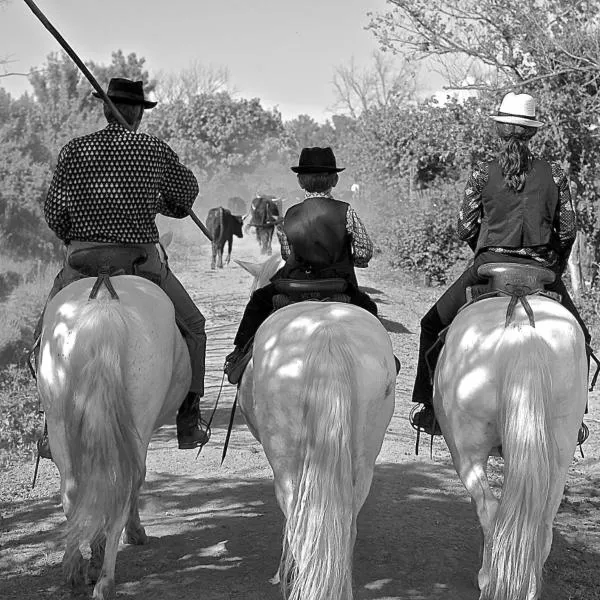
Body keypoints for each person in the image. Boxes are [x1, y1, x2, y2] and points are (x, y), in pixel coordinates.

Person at [35, 77, 209, 453]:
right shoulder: (153, 149)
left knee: (43, 331)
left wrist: (73, 235)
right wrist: (160, 201)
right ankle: (189, 419)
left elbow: (54, 213)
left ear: (104, 107)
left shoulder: (75, 150)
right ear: (138, 114)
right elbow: (184, 197)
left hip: (81, 260)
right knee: (194, 326)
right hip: (140, 261)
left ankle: (50, 423)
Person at [410, 92, 592, 437]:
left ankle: (429, 408)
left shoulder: (482, 172)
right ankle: (576, 418)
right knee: (580, 336)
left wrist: (485, 248)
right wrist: (554, 261)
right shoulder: (555, 174)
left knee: (431, 324)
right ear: (532, 133)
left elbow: (465, 225)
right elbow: (567, 229)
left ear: (499, 130)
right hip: (541, 271)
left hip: (489, 266)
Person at [224, 146, 378, 375]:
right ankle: (380, 360)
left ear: (300, 182)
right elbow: (365, 251)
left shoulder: (290, 214)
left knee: (257, 301)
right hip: (338, 284)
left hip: (293, 286)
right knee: (369, 309)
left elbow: (287, 254)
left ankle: (238, 354)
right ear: (334, 180)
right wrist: (349, 259)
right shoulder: (346, 211)